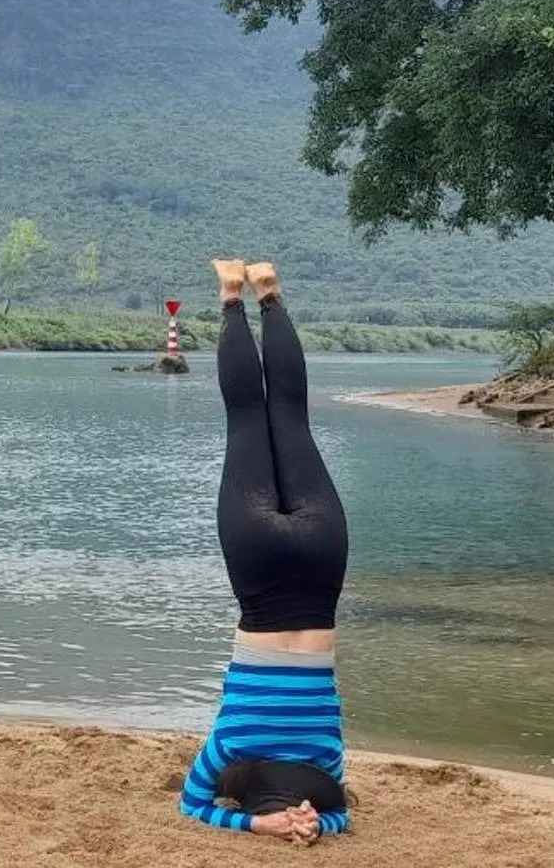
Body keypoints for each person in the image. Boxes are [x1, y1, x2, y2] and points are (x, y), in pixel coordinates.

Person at [176, 259, 352, 844]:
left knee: (292, 418)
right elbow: (194, 805)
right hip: (258, 569)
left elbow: (340, 815)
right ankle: (232, 298)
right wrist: (259, 823)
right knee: (248, 421)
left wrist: (300, 823)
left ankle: (269, 294)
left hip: (322, 565)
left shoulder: (328, 760)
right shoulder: (230, 745)